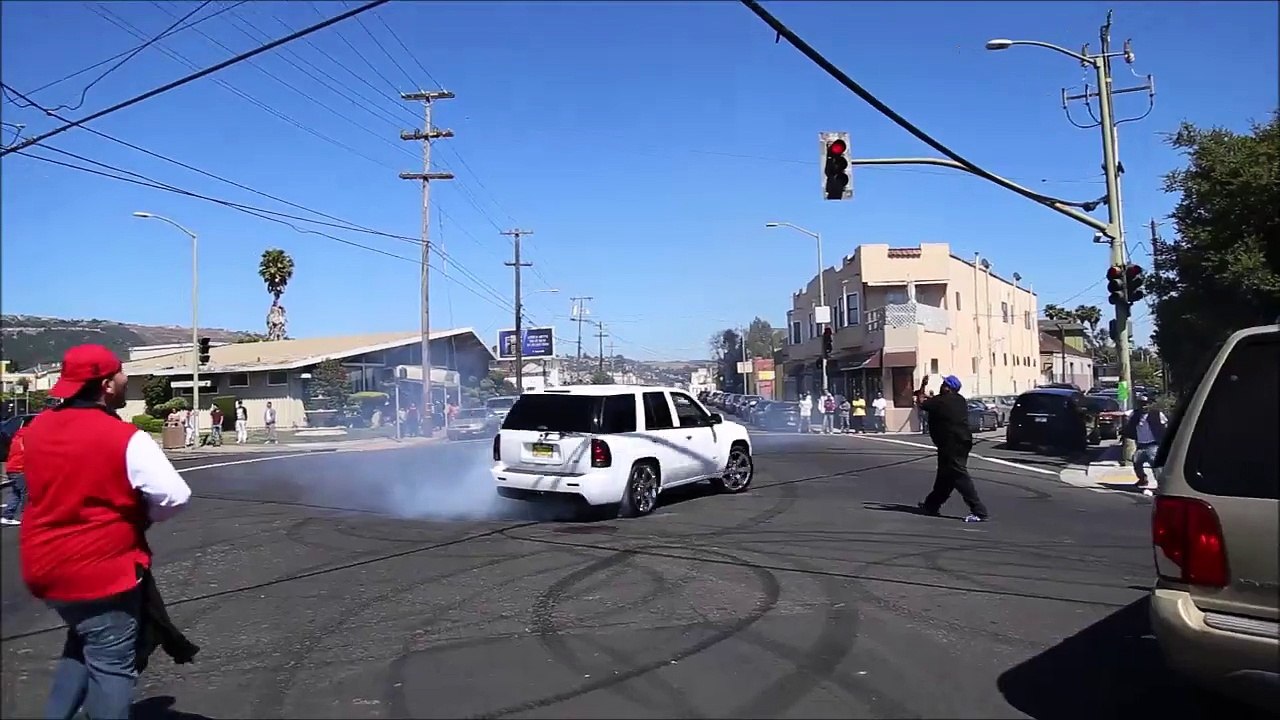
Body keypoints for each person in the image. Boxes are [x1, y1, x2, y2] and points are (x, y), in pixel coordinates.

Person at [19, 344, 193, 719]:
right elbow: (175, 496)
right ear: (106, 384)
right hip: (100, 571)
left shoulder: (37, 428)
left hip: (45, 565)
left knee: (83, 642)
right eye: (121, 373)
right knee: (113, 664)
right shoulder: (125, 437)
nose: (125, 379)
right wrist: (143, 515)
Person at [917, 375, 989, 522]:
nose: (941, 385)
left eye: (944, 384)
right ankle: (931, 505)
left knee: (958, 475)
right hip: (962, 441)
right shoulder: (960, 400)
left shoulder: (941, 400)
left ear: (948, 388)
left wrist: (922, 386)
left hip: (951, 444)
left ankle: (979, 511)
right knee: (945, 476)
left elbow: (921, 402)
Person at [1124, 395, 1168, 494]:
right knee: (1136, 462)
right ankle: (1142, 479)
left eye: (1145, 404)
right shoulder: (1135, 415)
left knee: (1154, 465)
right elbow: (1125, 413)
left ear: (1149, 405)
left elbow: (1165, 424)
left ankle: (1161, 485)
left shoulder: (1156, 414)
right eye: (1141, 404)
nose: (1143, 406)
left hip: (1153, 445)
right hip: (1140, 445)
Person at [2, 420, 28, 526]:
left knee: (16, 493)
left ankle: (7, 515)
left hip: (11, 468)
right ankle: (26, 517)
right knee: (25, 493)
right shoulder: (27, 437)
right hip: (20, 469)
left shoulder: (17, 437)